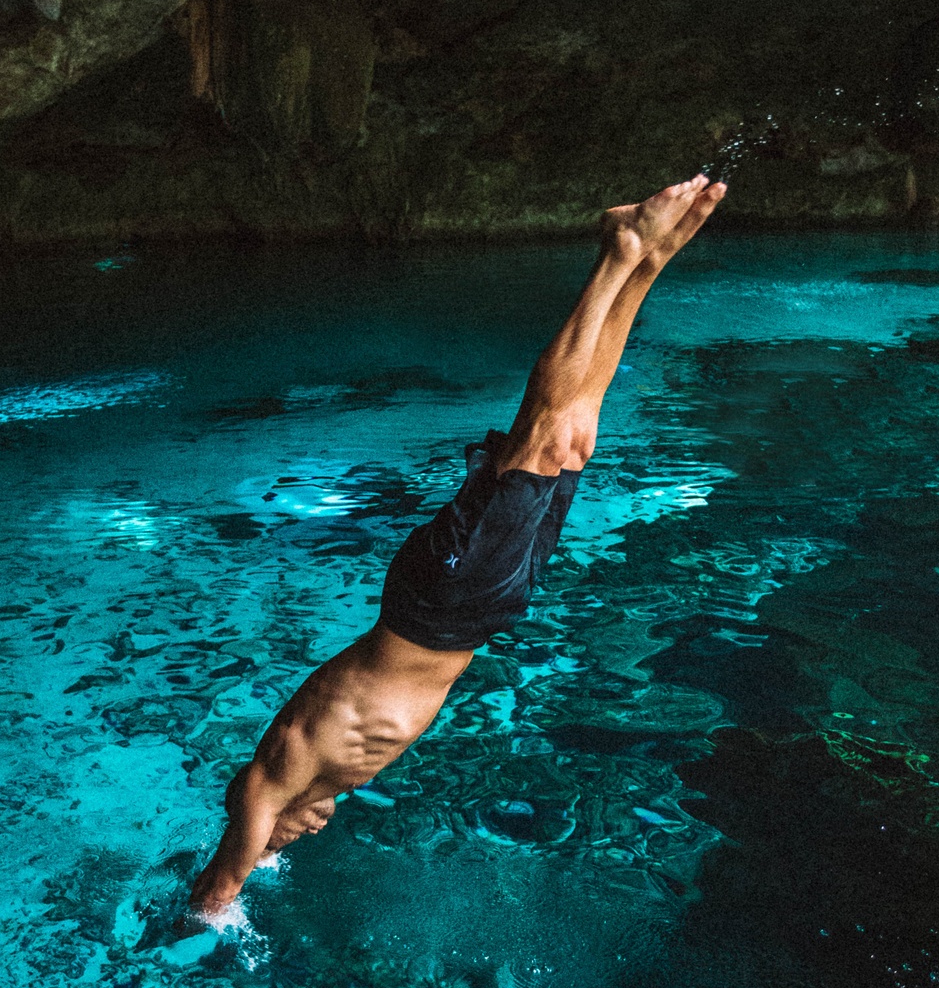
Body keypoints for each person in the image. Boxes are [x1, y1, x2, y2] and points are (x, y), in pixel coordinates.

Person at [189, 173, 727, 919]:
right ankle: (648, 263)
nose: (305, 834)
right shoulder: (320, 783)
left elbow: (218, 887)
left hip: (440, 602)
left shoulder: (269, 781)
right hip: (469, 611)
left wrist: (220, 905)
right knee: (573, 440)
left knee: (540, 436)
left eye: (285, 840)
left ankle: (618, 252)